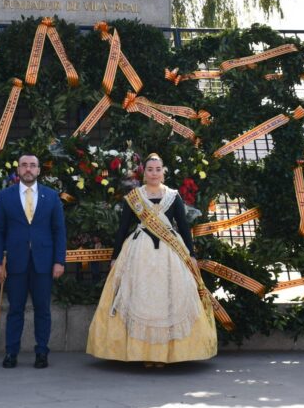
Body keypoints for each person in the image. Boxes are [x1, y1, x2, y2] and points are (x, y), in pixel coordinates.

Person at [86, 153, 217, 366]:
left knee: (171, 298)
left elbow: (183, 227)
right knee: (138, 297)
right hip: (139, 253)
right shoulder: (134, 197)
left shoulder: (173, 196)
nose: (154, 173)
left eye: (158, 169)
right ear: (143, 173)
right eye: (150, 169)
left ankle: (166, 355)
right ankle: (144, 354)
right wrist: (114, 256)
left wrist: (191, 255)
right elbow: (122, 229)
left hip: (171, 255)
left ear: (163, 171)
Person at [0, 153, 66, 369]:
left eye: (32, 165)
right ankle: (11, 353)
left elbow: (59, 231)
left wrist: (59, 261)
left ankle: (42, 352)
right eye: (24, 165)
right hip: (15, 263)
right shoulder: (5, 196)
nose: (28, 169)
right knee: (15, 309)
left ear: (39, 170)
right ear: (18, 170)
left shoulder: (51, 197)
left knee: (43, 309)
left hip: (44, 262)